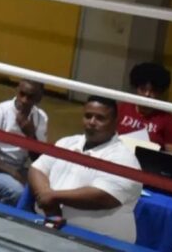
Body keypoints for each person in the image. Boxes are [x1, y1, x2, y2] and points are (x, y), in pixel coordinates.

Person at [29, 96, 142, 243]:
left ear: (115, 123)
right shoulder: (67, 142)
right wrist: (46, 197)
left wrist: (54, 197)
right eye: (88, 116)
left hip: (98, 242)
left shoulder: (125, 160)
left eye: (100, 118)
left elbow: (103, 197)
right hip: (51, 230)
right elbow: (37, 168)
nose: (92, 122)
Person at [117, 62, 172, 155]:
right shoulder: (122, 108)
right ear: (136, 88)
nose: (147, 94)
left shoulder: (168, 121)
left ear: (160, 92)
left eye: (153, 91)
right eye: (143, 89)